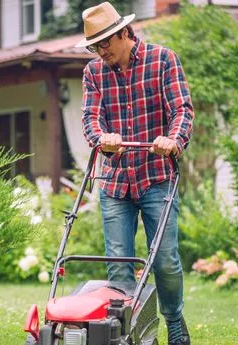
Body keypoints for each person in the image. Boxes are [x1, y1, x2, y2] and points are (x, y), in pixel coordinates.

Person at [75, 2, 194, 345]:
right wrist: (101, 139)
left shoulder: (163, 60)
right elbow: (90, 119)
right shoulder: (94, 73)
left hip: (157, 175)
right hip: (115, 182)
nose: (101, 52)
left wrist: (172, 140)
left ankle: (173, 320)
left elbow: (182, 109)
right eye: (95, 47)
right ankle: (125, 333)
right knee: (119, 266)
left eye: (105, 44)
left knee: (166, 261)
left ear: (124, 32)